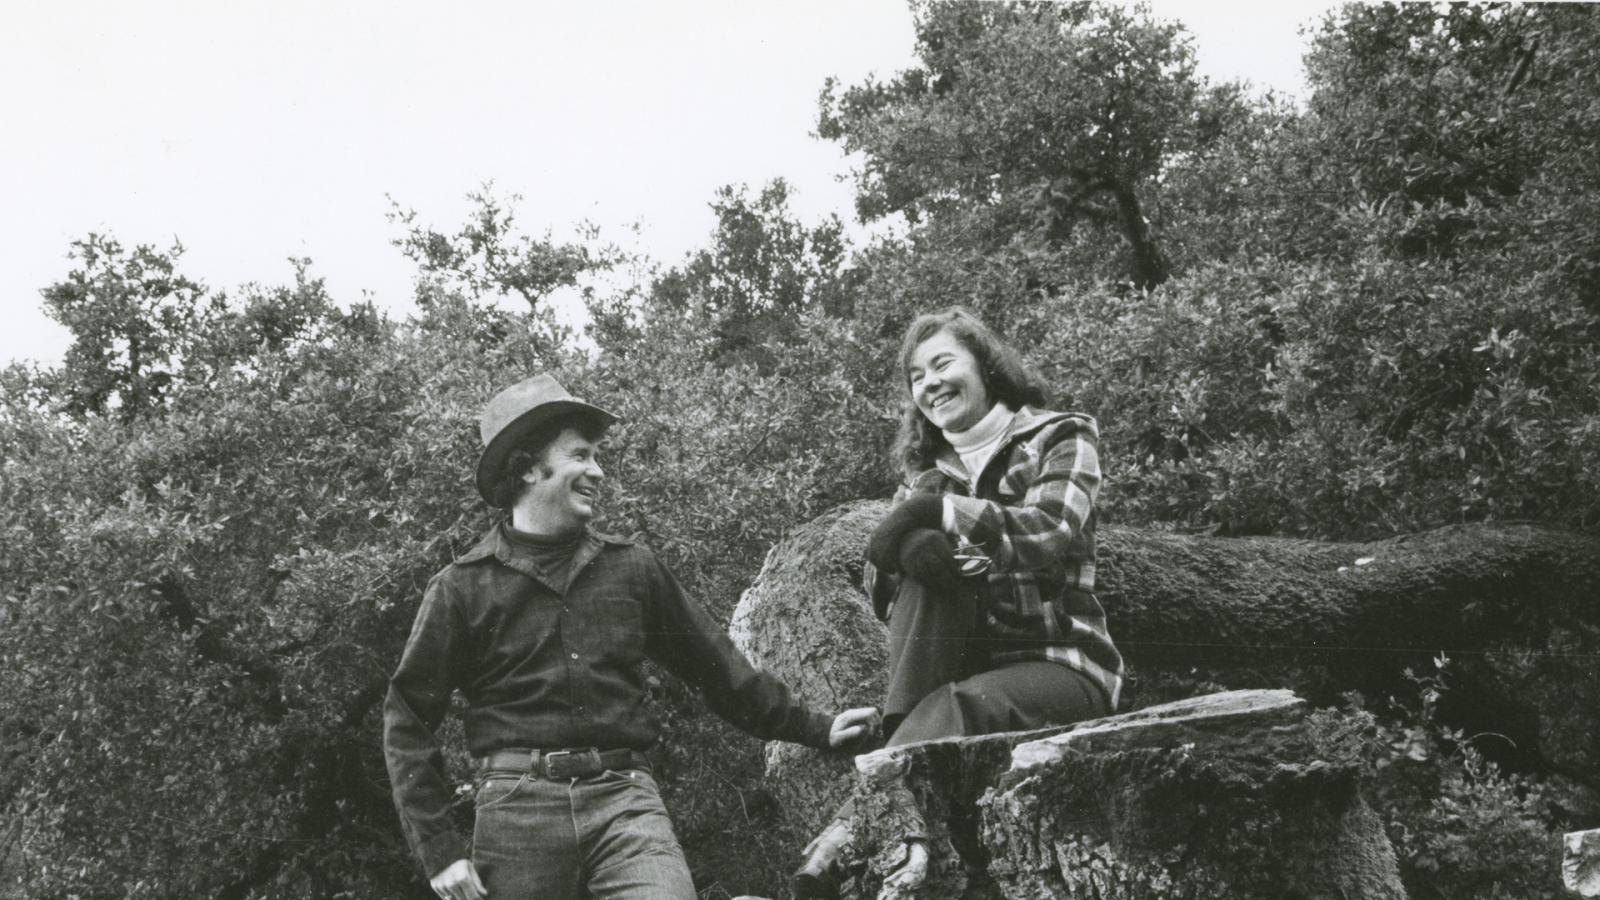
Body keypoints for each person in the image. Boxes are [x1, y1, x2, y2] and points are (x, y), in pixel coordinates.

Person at [383, 373, 877, 900]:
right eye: (580, 455)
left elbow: (718, 669)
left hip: (625, 801)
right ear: (528, 467)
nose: (597, 471)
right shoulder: (460, 588)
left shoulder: (632, 569)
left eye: (597, 456)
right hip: (515, 810)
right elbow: (408, 719)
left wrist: (814, 727)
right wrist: (440, 850)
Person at [792, 307, 1123, 898]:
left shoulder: (1061, 434)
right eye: (917, 376)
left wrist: (940, 516)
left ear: (985, 365)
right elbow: (883, 590)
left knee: (961, 704)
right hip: (953, 677)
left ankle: (850, 829)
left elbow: (1050, 530)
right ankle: (898, 770)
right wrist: (909, 550)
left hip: (1062, 664)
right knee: (922, 583)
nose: (930, 383)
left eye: (943, 363)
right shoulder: (927, 477)